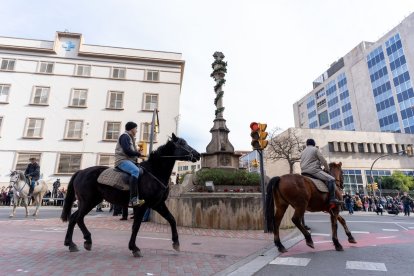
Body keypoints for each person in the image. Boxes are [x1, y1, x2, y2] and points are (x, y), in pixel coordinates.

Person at [300, 138, 340, 206]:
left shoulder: (303, 152)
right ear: (314, 144)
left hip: (304, 172)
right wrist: (327, 169)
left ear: (307, 144)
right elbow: (323, 161)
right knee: (332, 179)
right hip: (314, 171)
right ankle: (332, 198)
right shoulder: (315, 149)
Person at [115, 121, 145, 207]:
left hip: (128, 160)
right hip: (122, 160)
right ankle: (133, 200)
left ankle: (139, 196)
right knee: (135, 171)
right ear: (132, 129)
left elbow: (130, 151)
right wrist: (138, 154)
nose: (136, 130)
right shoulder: (125, 136)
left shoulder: (130, 137)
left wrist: (137, 152)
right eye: (136, 128)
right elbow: (127, 151)